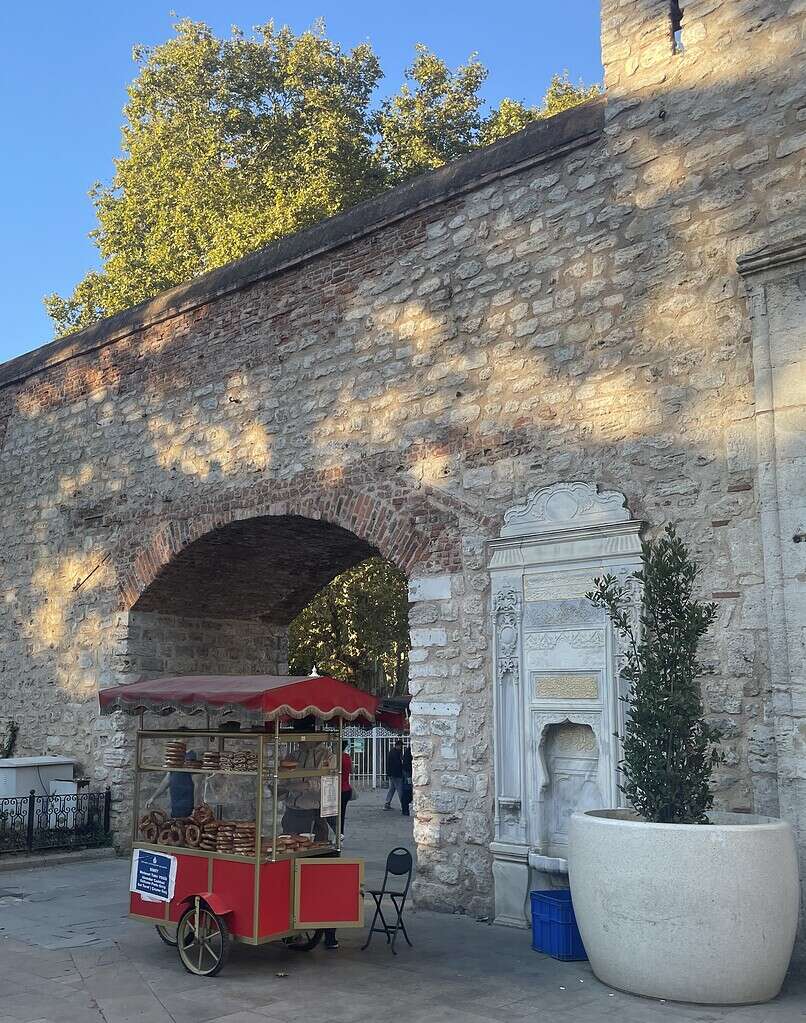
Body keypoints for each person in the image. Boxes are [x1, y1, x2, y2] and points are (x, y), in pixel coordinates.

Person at [147, 750, 198, 817]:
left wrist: (196, 808)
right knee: (176, 823)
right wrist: (153, 797)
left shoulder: (191, 756)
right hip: (176, 806)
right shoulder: (175, 757)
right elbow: (167, 780)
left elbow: (197, 784)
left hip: (189, 807)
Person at [383, 740, 404, 811]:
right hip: (396, 774)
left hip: (392, 774)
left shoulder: (392, 752)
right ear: (398, 745)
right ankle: (403, 804)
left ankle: (387, 803)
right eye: (401, 746)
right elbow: (397, 764)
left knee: (392, 789)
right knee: (400, 789)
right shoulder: (395, 753)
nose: (401, 748)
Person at [340, 741, 353, 839]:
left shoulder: (336, 758)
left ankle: (339, 835)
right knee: (342, 814)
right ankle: (341, 834)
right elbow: (351, 770)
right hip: (346, 788)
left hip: (339, 789)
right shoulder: (347, 757)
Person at [401, 745, 413, 817]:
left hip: (406, 772)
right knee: (407, 790)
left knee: (406, 790)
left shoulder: (407, 751)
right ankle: (406, 809)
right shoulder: (409, 751)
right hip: (408, 772)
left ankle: (405, 809)